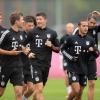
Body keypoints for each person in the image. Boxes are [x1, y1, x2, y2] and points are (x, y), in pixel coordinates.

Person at [23, 12, 60, 100]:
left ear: (45, 20)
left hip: (46, 65)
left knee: (39, 90)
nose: (38, 21)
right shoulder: (32, 32)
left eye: (40, 19)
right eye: (37, 19)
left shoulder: (52, 33)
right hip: (35, 64)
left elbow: (58, 49)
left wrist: (51, 46)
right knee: (39, 89)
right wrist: (28, 53)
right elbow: (22, 45)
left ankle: (24, 98)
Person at [61, 20, 98, 100]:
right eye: (83, 26)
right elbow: (62, 49)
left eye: (86, 26)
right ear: (79, 27)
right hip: (73, 68)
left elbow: (97, 54)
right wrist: (70, 57)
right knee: (76, 90)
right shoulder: (71, 38)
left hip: (84, 68)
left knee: (80, 92)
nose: (86, 28)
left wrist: (93, 51)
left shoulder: (90, 40)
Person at [0, 11, 24, 100]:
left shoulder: (22, 34)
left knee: (19, 93)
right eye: (21, 20)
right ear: (16, 21)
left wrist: (25, 50)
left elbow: (21, 47)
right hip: (5, 67)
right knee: (1, 93)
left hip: (18, 66)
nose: (23, 22)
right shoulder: (6, 33)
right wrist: (10, 53)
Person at [21, 16, 36, 100]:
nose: (31, 27)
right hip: (21, 65)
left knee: (31, 89)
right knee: (22, 88)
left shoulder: (35, 36)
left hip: (30, 66)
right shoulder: (20, 35)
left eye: (32, 26)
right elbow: (20, 48)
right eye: (29, 25)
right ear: (24, 25)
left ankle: (23, 98)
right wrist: (25, 51)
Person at [60, 23, 74, 97]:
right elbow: (60, 49)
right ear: (66, 28)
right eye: (68, 27)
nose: (70, 29)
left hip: (74, 60)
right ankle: (69, 91)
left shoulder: (76, 37)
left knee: (74, 74)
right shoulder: (63, 38)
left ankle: (74, 90)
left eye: (71, 27)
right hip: (66, 59)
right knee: (66, 74)